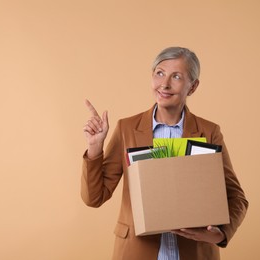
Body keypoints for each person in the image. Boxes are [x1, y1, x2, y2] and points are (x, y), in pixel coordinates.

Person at [81, 46, 248, 260]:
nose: (165, 84)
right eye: (159, 73)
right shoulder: (126, 129)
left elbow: (237, 197)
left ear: (193, 87)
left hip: (194, 252)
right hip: (137, 251)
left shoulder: (209, 132)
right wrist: (95, 149)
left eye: (176, 77)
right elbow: (94, 198)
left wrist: (221, 234)